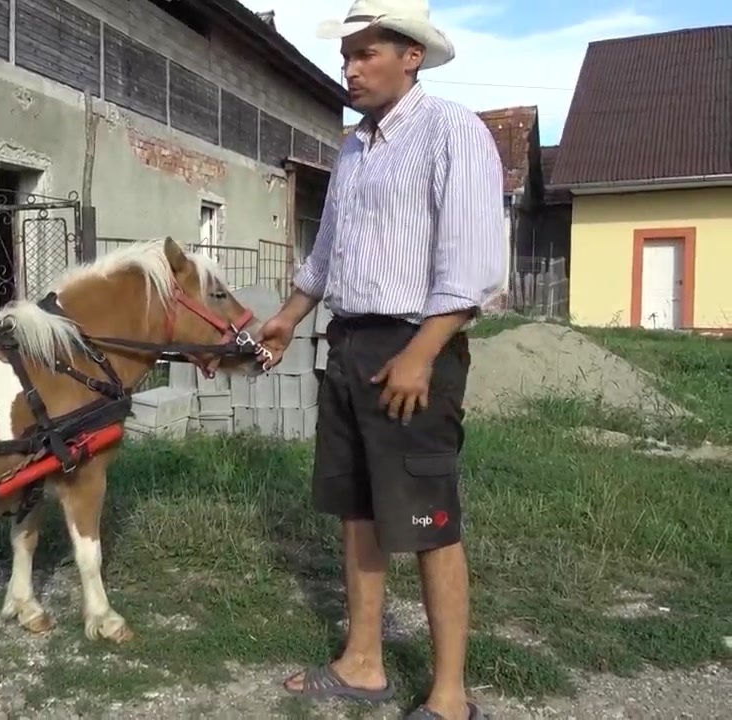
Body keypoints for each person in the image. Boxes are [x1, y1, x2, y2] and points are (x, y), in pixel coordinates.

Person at [255, 2, 505, 719]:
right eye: (347, 55)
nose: (350, 68)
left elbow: (473, 266)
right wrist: (286, 320)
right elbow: (326, 257)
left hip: (414, 349)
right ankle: (363, 663)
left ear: (411, 56)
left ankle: (450, 697)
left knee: (428, 522)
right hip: (349, 344)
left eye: (367, 53)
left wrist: (422, 354)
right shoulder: (355, 148)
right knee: (357, 511)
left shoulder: (452, 131)